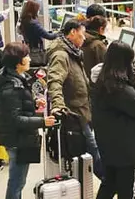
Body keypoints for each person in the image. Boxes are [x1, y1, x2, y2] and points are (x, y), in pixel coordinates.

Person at [0, 42, 55, 199]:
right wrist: (42, 121)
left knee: (18, 180)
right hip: (17, 140)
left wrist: (33, 103)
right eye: (25, 56)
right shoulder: (11, 87)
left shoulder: (15, 79)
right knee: (17, 181)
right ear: (18, 62)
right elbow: (15, 119)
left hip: (19, 138)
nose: (29, 59)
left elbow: (16, 107)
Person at [91, 41, 135, 199]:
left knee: (109, 183)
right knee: (126, 189)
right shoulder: (119, 87)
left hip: (108, 144)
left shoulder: (102, 80)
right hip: (124, 149)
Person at [47, 19, 103, 180]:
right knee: (94, 153)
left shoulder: (72, 53)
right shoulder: (61, 55)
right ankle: (112, 185)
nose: (84, 39)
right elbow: (55, 81)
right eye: (81, 35)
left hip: (82, 111)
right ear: (72, 32)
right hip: (75, 114)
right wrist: (58, 106)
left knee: (89, 153)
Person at [82, 15, 108, 80]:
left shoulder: (82, 38)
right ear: (101, 28)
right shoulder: (98, 45)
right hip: (94, 83)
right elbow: (107, 66)